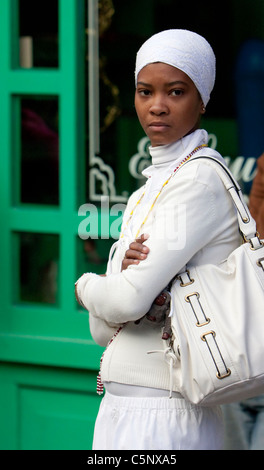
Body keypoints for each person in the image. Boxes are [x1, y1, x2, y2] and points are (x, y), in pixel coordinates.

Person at [75, 29, 241, 450]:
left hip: (168, 415)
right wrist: (117, 279)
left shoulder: (199, 178)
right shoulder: (145, 191)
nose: (157, 106)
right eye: (145, 91)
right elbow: (102, 328)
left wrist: (85, 286)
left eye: (176, 91)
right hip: (121, 409)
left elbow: (126, 303)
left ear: (203, 99)